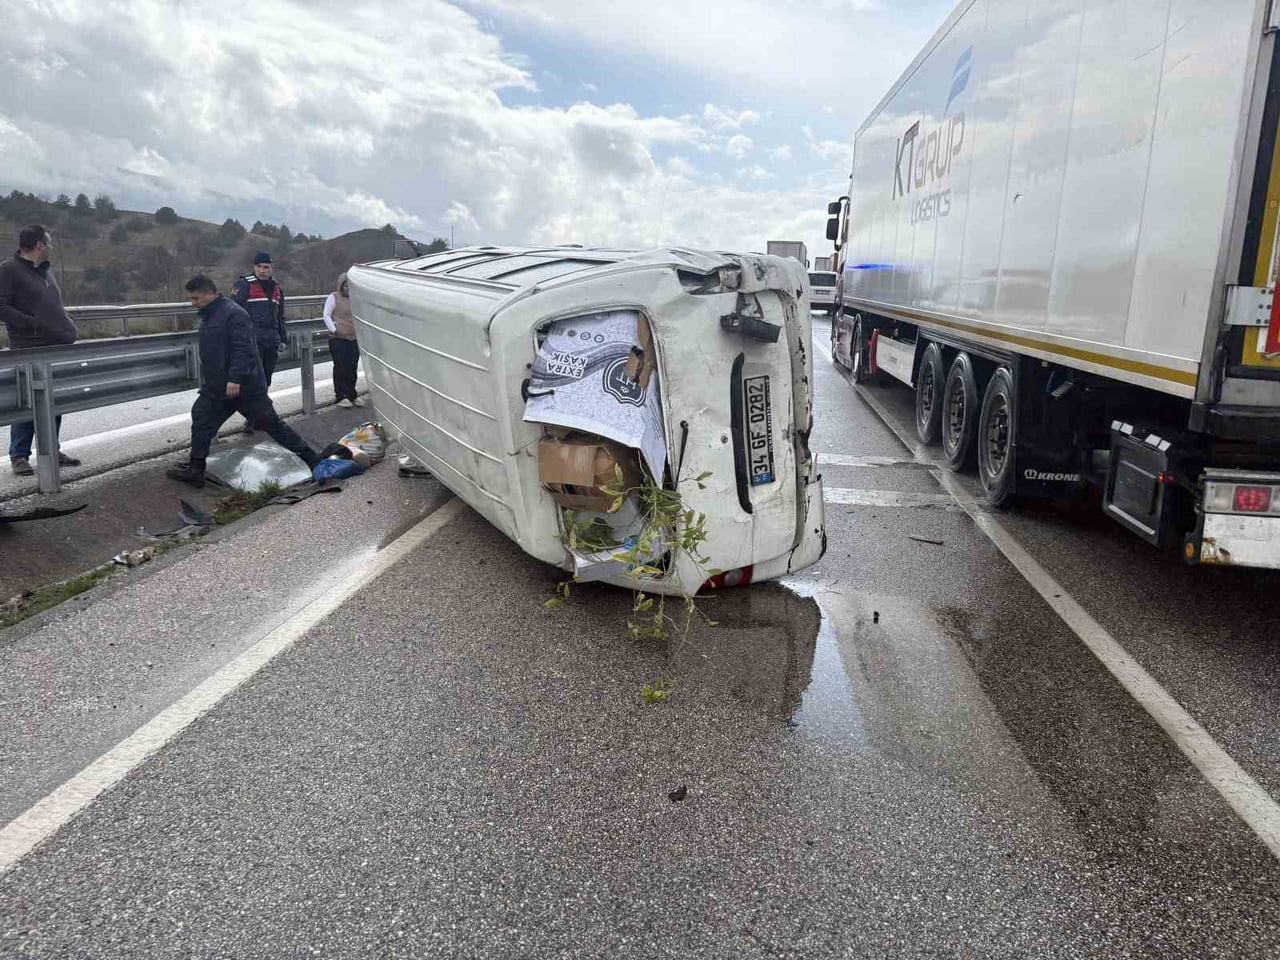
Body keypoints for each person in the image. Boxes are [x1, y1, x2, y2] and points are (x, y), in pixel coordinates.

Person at [166, 275, 318, 488]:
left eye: (196, 298)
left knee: (271, 424)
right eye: (192, 299)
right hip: (218, 387)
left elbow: (244, 348)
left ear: (210, 293)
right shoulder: (209, 315)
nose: (194, 303)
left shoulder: (234, 313)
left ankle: (313, 460)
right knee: (201, 418)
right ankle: (196, 468)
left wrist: (235, 378)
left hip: (244, 387)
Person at [0, 225, 81, 476]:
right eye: (49, 243)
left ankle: (51, 449)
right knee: (26, 402)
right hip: (28, 347)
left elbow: (53, 306)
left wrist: (67, 325)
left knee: (53, 402)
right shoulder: (9, 270)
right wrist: (31, 323)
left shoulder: (45, 272)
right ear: (40, 245)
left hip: (55, 346)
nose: (52, 248)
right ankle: (19, 456)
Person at [230, 251, 287, 431]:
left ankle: (259, 415)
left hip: (271, 341)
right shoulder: (244, 284)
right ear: (254, 267)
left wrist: (282, 338)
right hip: (250, 342)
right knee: (252, 380)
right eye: (259, 267)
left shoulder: (277, 288)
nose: (263, 270)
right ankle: (251, 418)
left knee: (265, 380)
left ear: (271, 268)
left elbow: (280, 317)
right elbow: (232, 312)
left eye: (266, 267)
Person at [323, 271, 362, 408]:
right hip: (338, 338)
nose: (348, 289)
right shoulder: (334, 297)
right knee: (341, 367)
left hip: (353, 338)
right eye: (345, 286)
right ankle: (341, 395)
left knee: (352, 367)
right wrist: (334, 329)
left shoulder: (356, 299)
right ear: (341, 286)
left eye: (350, 286)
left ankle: (352, 394)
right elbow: (326, 315)